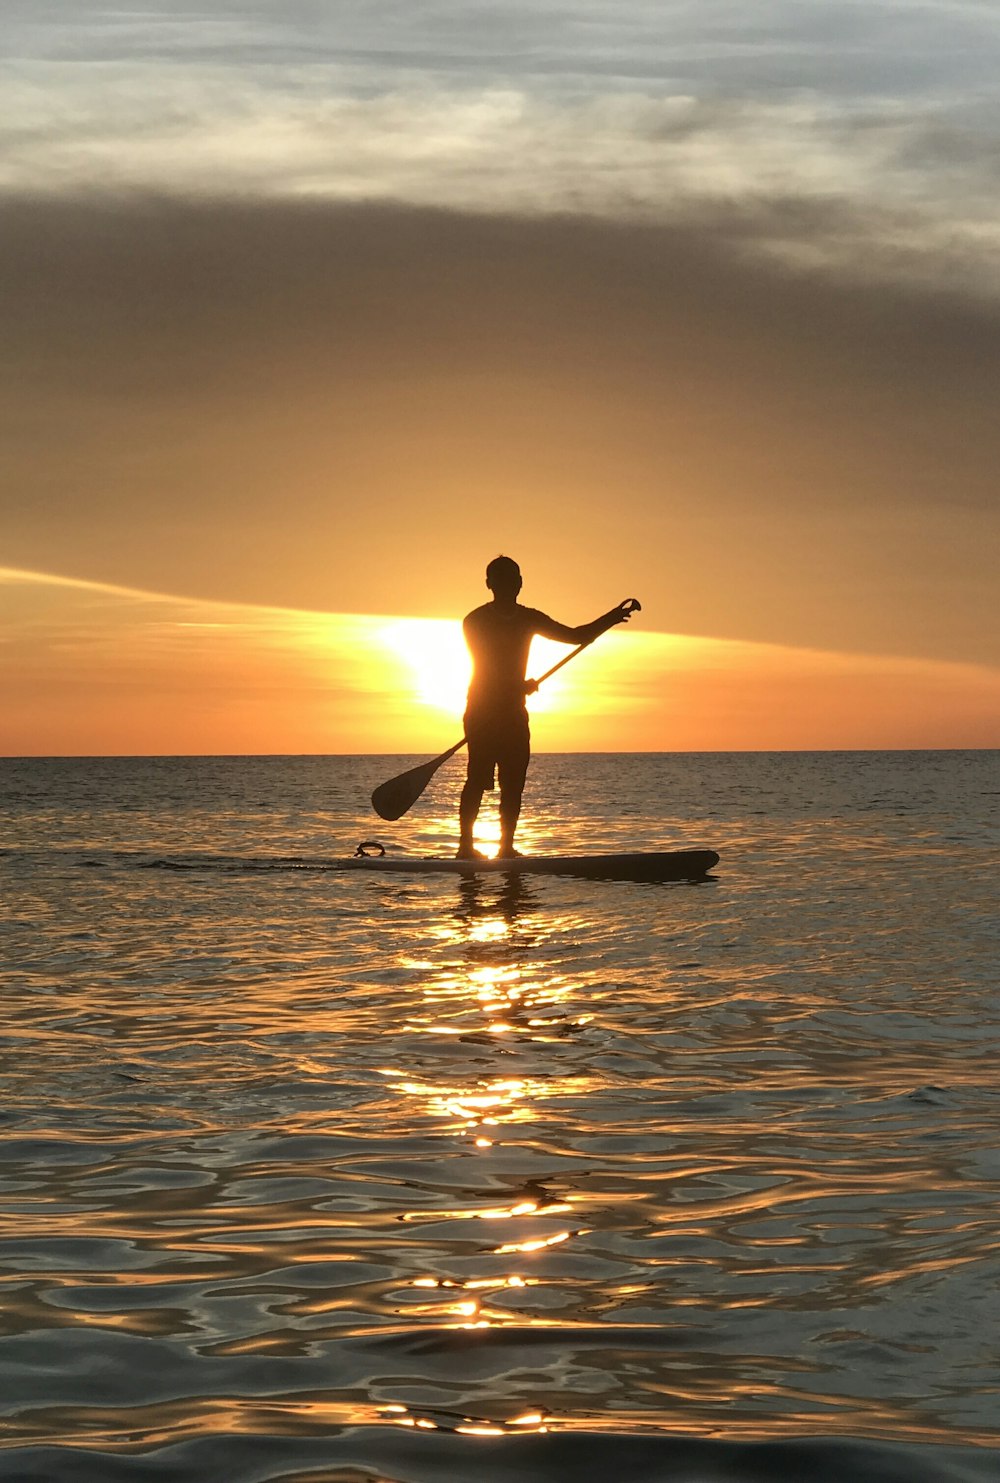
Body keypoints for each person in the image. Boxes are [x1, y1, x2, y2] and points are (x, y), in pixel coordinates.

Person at [458, 556, 636, 859]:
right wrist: (518, 686)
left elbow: (576, 636)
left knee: (513, 783)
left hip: (514, 713)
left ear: (521, 582)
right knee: (477, 779)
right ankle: (465, 847)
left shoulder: (529, 618)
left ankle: (506, 849)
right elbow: (485, 669)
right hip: (482, 712)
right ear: (490, 584)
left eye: (515, 577)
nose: (511, 583)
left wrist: (611, 618)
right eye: (502, 578)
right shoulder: (474, 622)